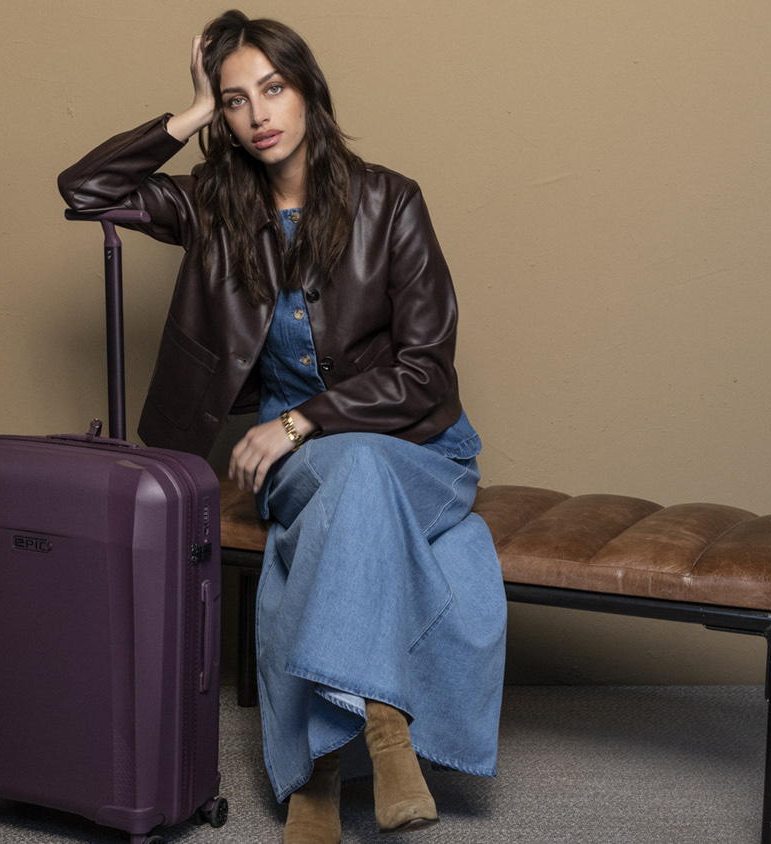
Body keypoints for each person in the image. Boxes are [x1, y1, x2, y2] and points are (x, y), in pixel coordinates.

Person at [58, 11, 505, 842]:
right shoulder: (214, 207)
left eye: (273, 88)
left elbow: (427, 372)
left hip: (421, 453)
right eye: (236, 101)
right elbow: (86, 189)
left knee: (360, 473)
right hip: (296, 463)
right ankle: (383, 727)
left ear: (308, 91)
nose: (259, 113)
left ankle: (321, 770)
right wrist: (190, 110)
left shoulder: (391, 201)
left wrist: (303, 420)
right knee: (350, 477)